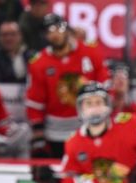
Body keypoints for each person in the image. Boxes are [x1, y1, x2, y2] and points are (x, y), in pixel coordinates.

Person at [25, 13, 109, 159]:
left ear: (68, 30)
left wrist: (103, 117)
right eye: (49, 32)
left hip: (89, 125)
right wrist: (38, 134)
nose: (54, 34)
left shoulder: (90, 52)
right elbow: (35, 101)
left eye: (58, 29)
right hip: (55, 131)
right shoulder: (39, 63)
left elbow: (105, 85)